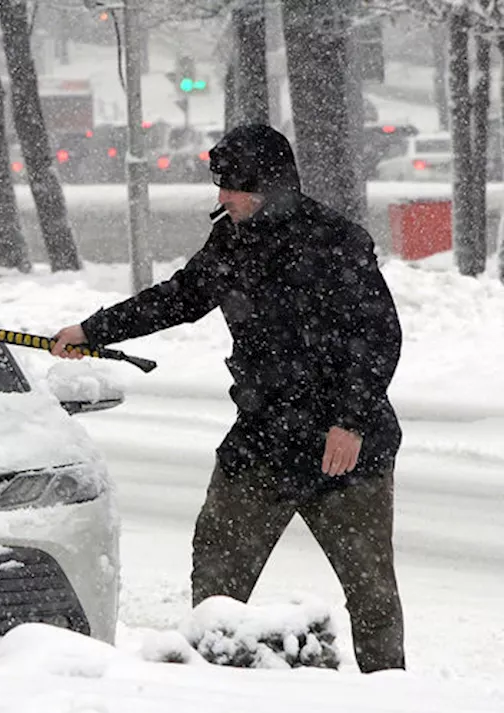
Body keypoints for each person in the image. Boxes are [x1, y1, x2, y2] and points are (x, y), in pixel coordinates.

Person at [51, 124, 405, 673]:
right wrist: (92, 331)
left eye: (233, 187)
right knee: (217, 575)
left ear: (271, 185)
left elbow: (379, 337)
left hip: (347, 448)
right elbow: (180, 298)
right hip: (264, 437)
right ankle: (215, 687)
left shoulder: (336, 242)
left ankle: (393, 697)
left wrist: (351, 421)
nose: (222, 198)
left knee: (372, 592)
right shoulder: (233, 241)